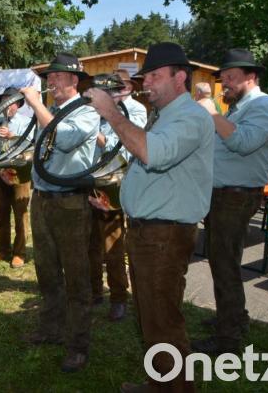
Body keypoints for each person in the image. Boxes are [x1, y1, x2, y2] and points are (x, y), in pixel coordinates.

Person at [83, 42, 214, 392]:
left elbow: (151, 154)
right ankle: (159, 384)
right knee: (150, 315)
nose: (148, 83)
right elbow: (157, 176)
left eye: (155, 76)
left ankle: (176, 388)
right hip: (151, 231)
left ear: (180, 77)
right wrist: (117, 203)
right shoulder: (166, 115)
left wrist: (112, 113)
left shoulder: (191, 116)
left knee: (164, 319)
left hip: (165, 235)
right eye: (147, 77)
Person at [192, 48, 268, 355]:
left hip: (236, 196)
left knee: (225, 264)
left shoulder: (264, 105)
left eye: (231, 77)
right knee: (222, 262)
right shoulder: (238, 107)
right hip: (223, 195)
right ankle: (234, 318)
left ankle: (228, 339)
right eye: (223, 77)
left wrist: (212, 115)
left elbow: (242, 143)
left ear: (251, 76)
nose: (225, 83)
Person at [19, 52, 99, 373]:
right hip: (42, 199)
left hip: (70, 203)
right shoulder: (51, 111)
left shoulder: (86, 112)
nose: (50, 81)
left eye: (56, 76)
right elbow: (42, 148)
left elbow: (62, 139)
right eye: (49, 76)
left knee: (76, 276)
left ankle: (78, 345)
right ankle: (50, 329)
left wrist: (36, 105)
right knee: (46, 269)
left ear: (73, 80)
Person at [87, 70, 147, 322]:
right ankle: (94, 290)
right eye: (110, 87)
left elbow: (116, 145)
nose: (115, 91)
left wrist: (93, 126)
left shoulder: (135, 111)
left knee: (113, 243)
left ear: (129, 88)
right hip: (90, 179)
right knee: (89, 241)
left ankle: (119, 297)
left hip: (115, 182)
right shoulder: (98, 109)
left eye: (119, 86)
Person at [0, 86, 32, 268]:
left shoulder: (26, 121)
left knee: (20, 213)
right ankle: (3, 250)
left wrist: (13, 135)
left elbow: (31, 145)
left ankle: (20, 253)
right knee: (1, 212)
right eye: (5, 102)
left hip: (19, 172)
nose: (8, 106)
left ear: (18, 105)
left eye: (12, 102)